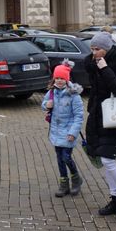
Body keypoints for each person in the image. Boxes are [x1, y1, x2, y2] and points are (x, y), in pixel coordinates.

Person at [83, 31, 116, 218]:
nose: (93, 52)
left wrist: (105, 69)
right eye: (92, 49)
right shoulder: (93, 64)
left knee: (108, 159)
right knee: (103, 160)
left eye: (97, 49)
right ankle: (115, 198)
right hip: (97, 117)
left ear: (107, 49)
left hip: (114, 118)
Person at [41, 64, 84, 197]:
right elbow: (44, 104)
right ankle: (63, 184)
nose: (59, 80)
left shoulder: (73, 95)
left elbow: (79, 116)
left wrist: (73, 133)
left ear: (67, 79)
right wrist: (46, 105)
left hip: (68, 133)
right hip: (55, 131)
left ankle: (76, 179)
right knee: (59, 159)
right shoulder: (52, 92)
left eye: (62, 78)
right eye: (57, 78)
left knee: (66, 157)